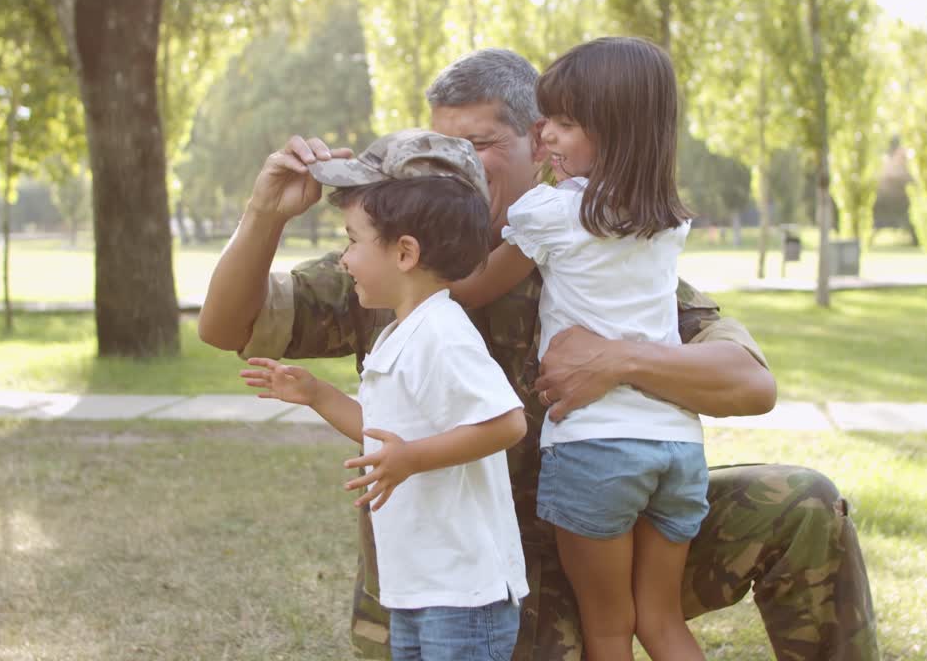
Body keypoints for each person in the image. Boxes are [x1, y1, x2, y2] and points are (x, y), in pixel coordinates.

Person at [198, 48, 880, 661]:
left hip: (600, 533)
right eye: (440, 141)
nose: (457, 159)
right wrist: (264, 213)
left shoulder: (596, 251)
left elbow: (749, 385)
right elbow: (230, 325)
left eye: (478, 142)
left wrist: (619, 359)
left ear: (538, 141)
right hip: (463, 578)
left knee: (802, 504)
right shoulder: (394, 261)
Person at [450, 37, 704, 661]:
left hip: (595, 451)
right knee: (662, 624)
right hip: (678, 447)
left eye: (565, 124)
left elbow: (476, 287)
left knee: (609, 629)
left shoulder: (555, 214)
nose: (549, 139)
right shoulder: (666, 219)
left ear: (614, 131)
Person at [240, 132, 529, 660]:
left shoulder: (444, 333)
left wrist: (410, 459)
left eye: (352, 241)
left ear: (404, 252)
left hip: (464, 593)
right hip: (420, 583)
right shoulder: (400, 332)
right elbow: (382, 431)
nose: (344, 258)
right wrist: (316, 393)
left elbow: (508, 423)